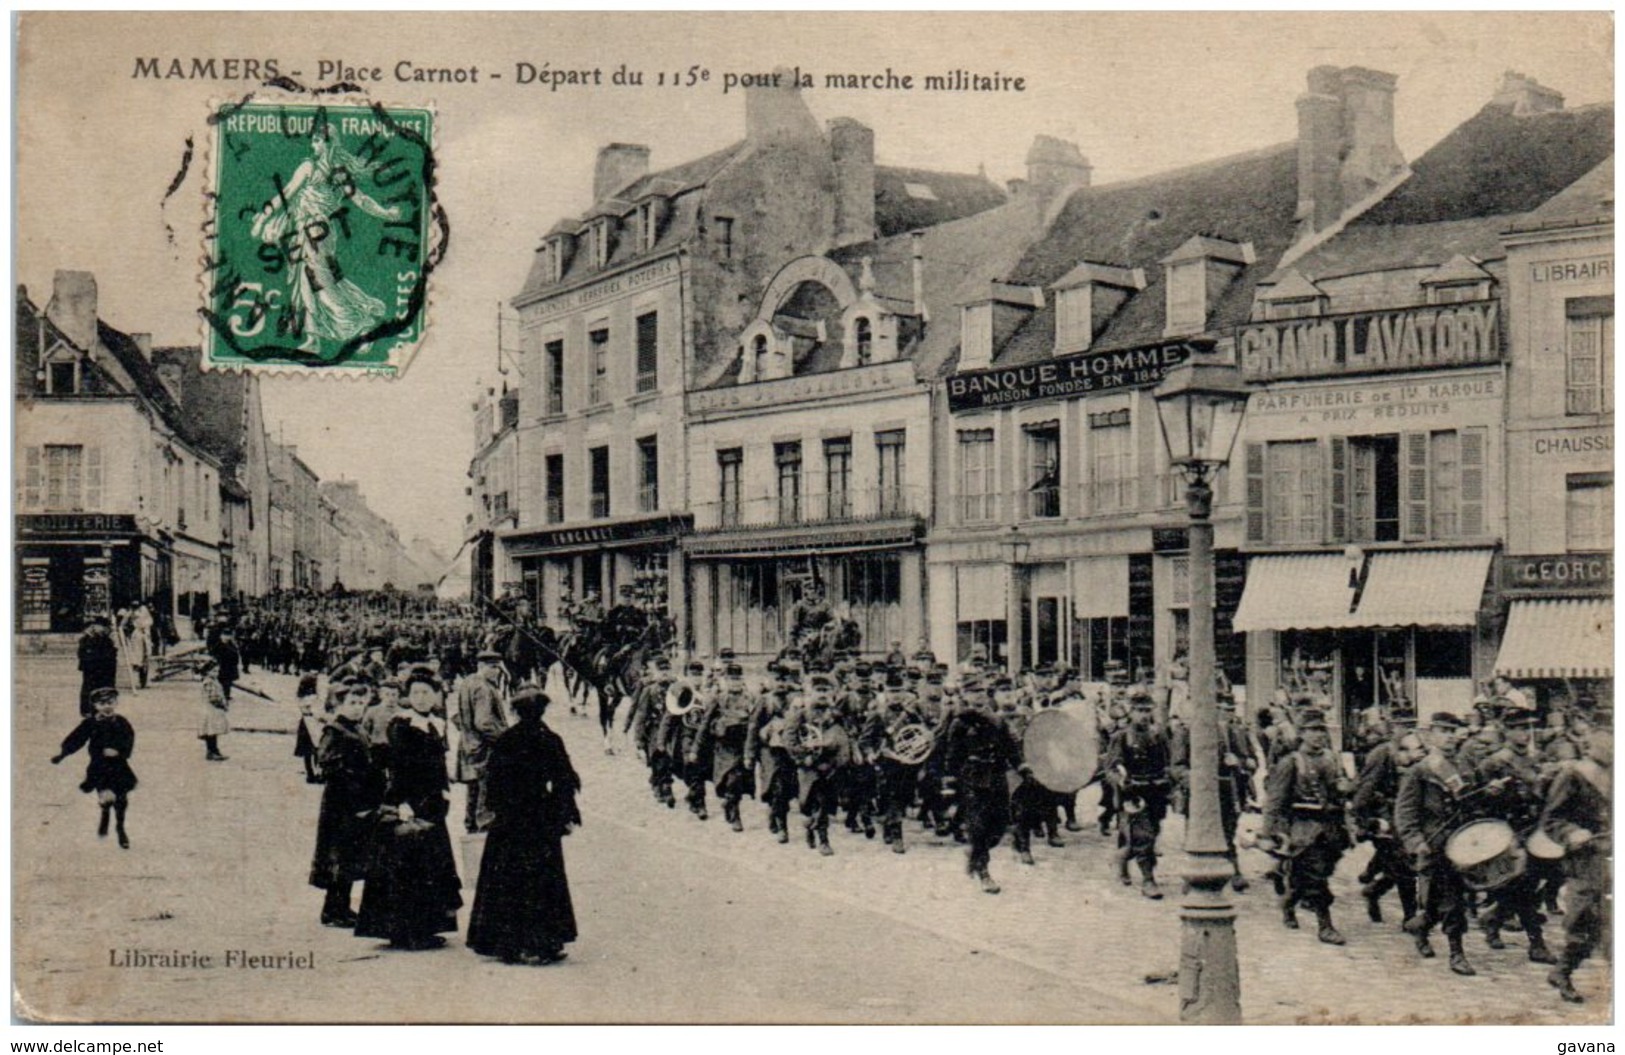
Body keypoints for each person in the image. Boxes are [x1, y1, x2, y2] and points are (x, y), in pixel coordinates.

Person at [252, 121, 404, 352]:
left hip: (315, 233)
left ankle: (361, 325)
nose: (313, 145)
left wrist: (264, 217)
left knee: (321, 283)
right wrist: (385, 213)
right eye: (313, 140)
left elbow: (287, 194)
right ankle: (314, 339)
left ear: (329, 144)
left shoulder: (313, 169)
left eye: (317, 140)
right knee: (308, 282)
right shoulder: (331, 172)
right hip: (313, 232)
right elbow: (289, 195)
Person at [466, 689, 582, 965]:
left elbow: (492, 784)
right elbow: (566, 781)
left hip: (510, 820)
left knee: (509, 880)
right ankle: (543, 943)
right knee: (542, 880)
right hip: (540, 819)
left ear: (516, 712)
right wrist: (561, 814)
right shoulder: (550, 738)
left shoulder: (507, 740)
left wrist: (497, 811)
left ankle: (511, 944)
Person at [355, 671, 463, 950]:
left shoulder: (437, 724)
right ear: (408, 697)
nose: (421, 698)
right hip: (410, 802)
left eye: (426, 693)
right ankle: (406, 931)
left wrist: (444, 788)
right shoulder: (401, 725)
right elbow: (399, 767)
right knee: (410, 867)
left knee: (431, 864)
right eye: (415, 693)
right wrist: (401, 802)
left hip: (433, 803)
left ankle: (428, 927)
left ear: (436, 695)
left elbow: (438, 763)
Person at [1395, 711, 1477, 976]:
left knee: (1447, 900)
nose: (1450, 736)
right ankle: (1450, 948)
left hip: (1461, 843)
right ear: (1431, 735)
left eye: (1453, 731)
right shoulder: (1421, 769)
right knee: (1446, 900)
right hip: (1434, 844)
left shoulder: (1464, 766)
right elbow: (1405, 810)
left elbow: (1472, 803)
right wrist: (1415, 840)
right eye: (1444, 731)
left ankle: (1432, 934)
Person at [1262, 710, 1350, 944]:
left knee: (1313, 874)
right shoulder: (1291, 762)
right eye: (1313, 730)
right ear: (1301, 733)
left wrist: (1344, 787)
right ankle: (1325, 926)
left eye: (1322, 729)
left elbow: (1343, 788)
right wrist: (1270, 833)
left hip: (1330, 827)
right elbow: (1275, 801)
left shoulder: (1332, 758)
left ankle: (1288, 903)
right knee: (1317, 876)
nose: (1319, 735)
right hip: (1302, 828)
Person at [309, 688, 382, 927]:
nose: (357, 707)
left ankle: (342, 907)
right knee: (338, 855)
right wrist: (357, 781)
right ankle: (332, 911)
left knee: (351, 855)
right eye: (352, 702)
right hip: (341, 804)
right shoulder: (335, 730)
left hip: (358, 801)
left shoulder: (358, 728)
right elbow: (328, 765)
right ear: (339, 705)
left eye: (361, 702)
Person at [943, 683, 1020, 894]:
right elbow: (952, 754)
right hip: (972, 777)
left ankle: (977, 854)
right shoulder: (960, 722)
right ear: (965, 696)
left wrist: (1021, 766)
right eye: (973, 692)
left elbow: (1010, 747)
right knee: (978, 826)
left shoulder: (998, 720)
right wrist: (950, 782)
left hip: (996, 775)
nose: (979, 696)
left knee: (1000, 825)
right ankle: (983, 871)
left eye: (982, 692)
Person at [1103, 692, 1172, 899]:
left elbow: (1168, 762)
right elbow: (1111, 769)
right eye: (1139, 711)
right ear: (1131, 712)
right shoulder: (1121, 737)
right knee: (1145, 837)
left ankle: (1121, 858)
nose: (1144, 715)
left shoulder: (1158, 735)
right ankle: (1148, 880)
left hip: (1156, 792)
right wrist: (1121, 780)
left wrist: (1168, 780)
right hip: (1133, 794)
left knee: (1150, 831)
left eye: (1147, 711)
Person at [51, 686, 137, 849]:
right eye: (102, 703)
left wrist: (120, 752)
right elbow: (76, 739)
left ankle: (120, 828)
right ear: (95, 706)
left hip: (119, 765)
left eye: (110, 702)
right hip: (99, 766)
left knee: (121, 799)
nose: (107, 706)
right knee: (106, 796)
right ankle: (105, 812)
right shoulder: (90, 723)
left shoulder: (122, 722)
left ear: (116, 702)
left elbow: (129, 739)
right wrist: (62, 755)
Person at [453, 649, 510, 834]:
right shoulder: (484, 687)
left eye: (497, 668)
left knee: (473, 796)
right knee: (486, 802)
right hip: (485, 751)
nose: (496, 672)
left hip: (469, 748)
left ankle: (471, 835)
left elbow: (457, 717)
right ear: (481, 666)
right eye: (493, 667)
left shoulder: (468, 682)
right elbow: (484, 722)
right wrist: (506, 737)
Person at [77, 617, 119, 717]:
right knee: (90, 688)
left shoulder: (108, 639)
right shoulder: (88, 638)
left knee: (104, 689)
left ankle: (104, 708)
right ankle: (88, 709)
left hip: (105, 667)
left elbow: (113, 652)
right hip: (93, 667)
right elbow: (82, 653)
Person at [197, 659, 230, 761]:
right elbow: (213, 697)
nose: (216, 673)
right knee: (211, 732)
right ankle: (212, 751)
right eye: (214, 671)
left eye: (217, 671)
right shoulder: (209, 682)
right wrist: (222, 704)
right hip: (211, 710)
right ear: (207, 671)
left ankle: (214, 750)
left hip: (211, 710)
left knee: (213, 731)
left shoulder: (212, 681)